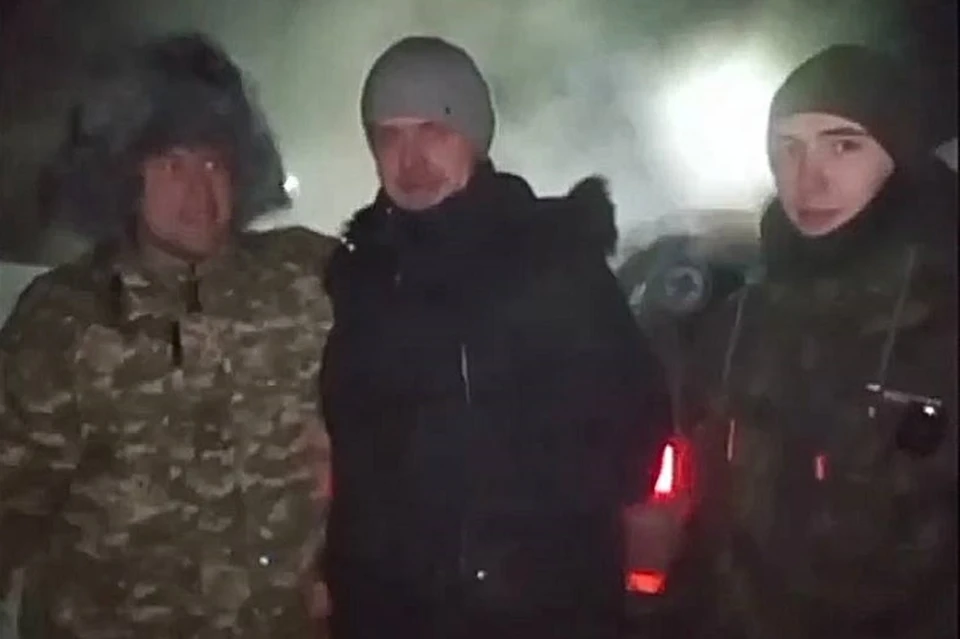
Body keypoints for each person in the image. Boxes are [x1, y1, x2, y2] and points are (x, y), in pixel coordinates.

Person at [319, 36, 672, 639]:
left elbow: (637, 427)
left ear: (476, 137)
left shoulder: (552, 262)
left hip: (536, 612)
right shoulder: (362, 278)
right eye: (389, 137)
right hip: (390, 612)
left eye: (433, 130)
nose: (411, 159)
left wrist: (522, 537)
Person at [0, 33, 337, 639]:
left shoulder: (306, 280)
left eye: (213, 164)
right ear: (125, 176)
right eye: (172, 165)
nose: (198, 192)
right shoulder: (64, 321)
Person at [690, 45, 958, 639]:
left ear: (901, 157)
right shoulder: (741, 316)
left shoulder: (942, 315)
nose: (808, 179)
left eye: (844, 146)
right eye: (788, 148)